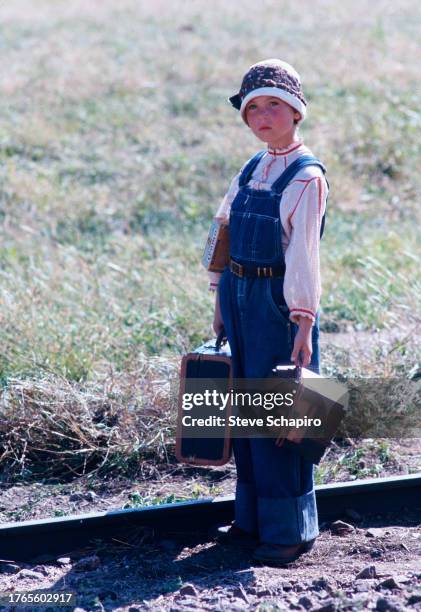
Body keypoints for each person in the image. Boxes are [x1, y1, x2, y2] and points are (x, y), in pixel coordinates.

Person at [208, 59, 329, 565]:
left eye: (273, 105)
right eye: (253, 107)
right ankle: (251, 519)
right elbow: (223, 229)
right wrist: (219, 294)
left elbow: (303, 253)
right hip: (239, 296)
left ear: (296, 113)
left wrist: (303, 320)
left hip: (278, 306)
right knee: (244, 412)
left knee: (284, 412)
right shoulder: (252, 168)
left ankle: (288, 531)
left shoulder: (307, 177)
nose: (262, 116)